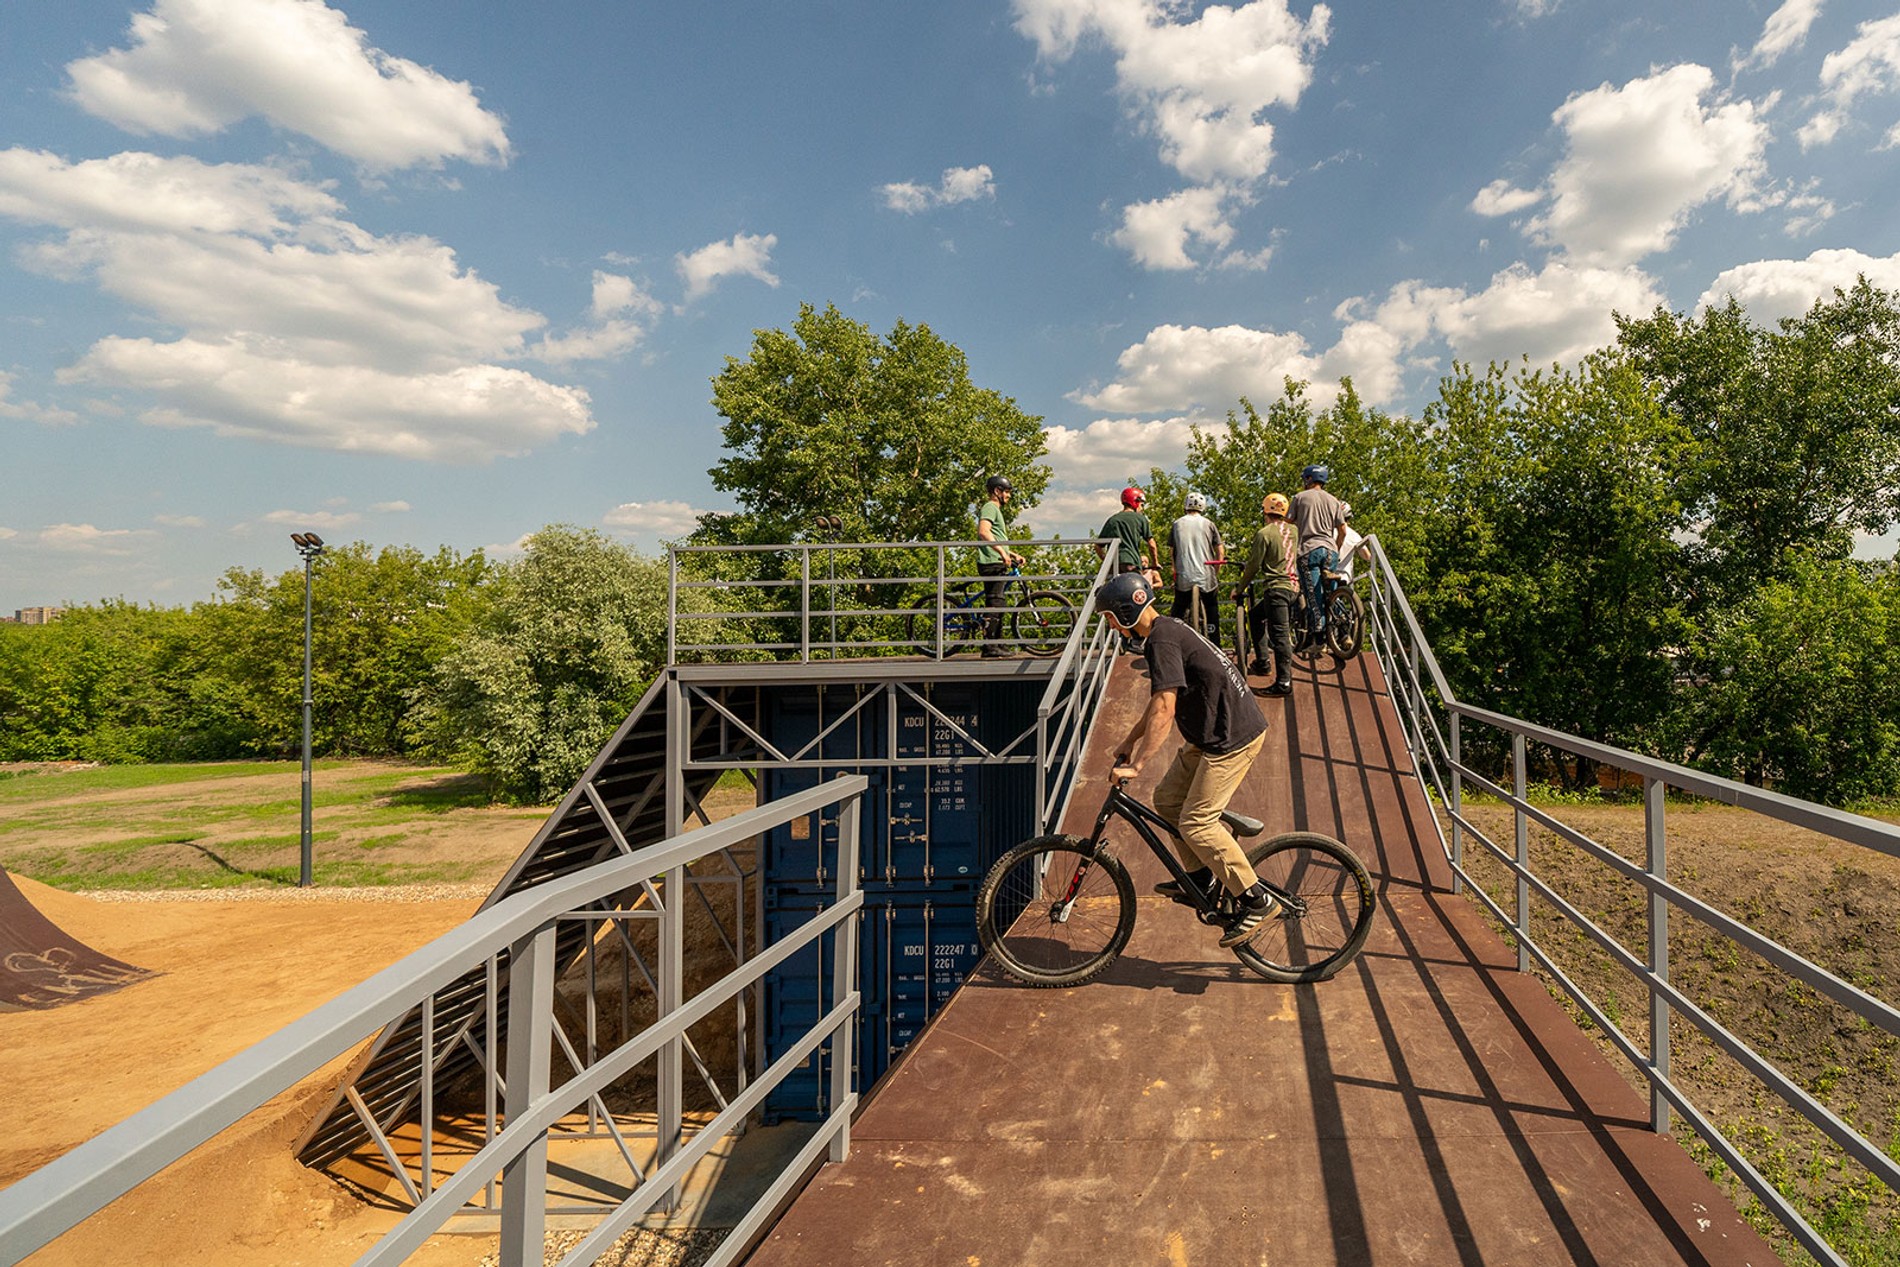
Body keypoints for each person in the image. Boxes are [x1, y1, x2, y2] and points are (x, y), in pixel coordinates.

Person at [1098, 571, 1279, 948]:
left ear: (1123, 613)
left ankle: (1256, 901)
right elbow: (1156, 702)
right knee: (1167, 801)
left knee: (1197, 823)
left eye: (1110, 618)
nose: (1110, 625)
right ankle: (1200, 878)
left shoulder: (1162, 641)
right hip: (1209, 736)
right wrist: (1129, 742)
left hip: (1232, 738)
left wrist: (1138, 765)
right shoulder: (1163, 633)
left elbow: (1166, 707)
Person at [1234, 492, 1298, 695]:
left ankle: (1284, 683)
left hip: (1277, 589)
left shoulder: (1264, 534)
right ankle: (1262, 662)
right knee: (1255, 615)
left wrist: (1239, 588)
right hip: (1294, 589)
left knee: (1280, 635)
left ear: (1265, 510)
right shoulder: (1294, 530)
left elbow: (1253, 565)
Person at [1287, 464, 1348, 648]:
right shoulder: (1333, 501)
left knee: (1314, 595)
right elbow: (1342, 531)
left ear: (1308, 479)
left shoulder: (1300, 497)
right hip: (1330, 551)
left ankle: (1319, 638)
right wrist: (1335, 549)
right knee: (1332, 594)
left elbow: (1287, 524)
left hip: (1308, 549)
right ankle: (1345, 631)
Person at [976, 475, 1026, 658]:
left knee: (999, 601)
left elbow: (996, 537)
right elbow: (983, 532)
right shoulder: (990, 507)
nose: (1009, 496)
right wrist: (1002, 553)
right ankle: (989, 647)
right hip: (991, 561)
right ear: (997, 491)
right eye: (1006, 492)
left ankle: (998, 643)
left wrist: (1012, 554)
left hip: (997, 559)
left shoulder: (996, 509)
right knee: (995, 602)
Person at [1167, 492, 1224, 634]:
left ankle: (1174, 637)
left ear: (1185, 506)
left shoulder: (1177, 524)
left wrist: (1174, 571)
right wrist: (1216, 571)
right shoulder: (1209, 524)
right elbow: (1220, 551)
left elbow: (1172, 552)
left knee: (1178, 609)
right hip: (1206, 575)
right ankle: (1214, 639)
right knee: (1211, 606)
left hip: (1184, 576)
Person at [1095, 486, 1157, 579]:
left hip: (1114, 565)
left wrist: (1106, 560)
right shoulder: (1140, 519)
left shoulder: (1113, 520)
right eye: (1141, 505)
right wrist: (1155, 562)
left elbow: (1098, 546)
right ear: (1135, 502)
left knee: (1114, 590)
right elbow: (1151, 544)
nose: (1142, 508)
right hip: (1132, 563)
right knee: (1134, 589)